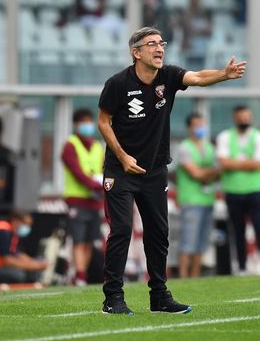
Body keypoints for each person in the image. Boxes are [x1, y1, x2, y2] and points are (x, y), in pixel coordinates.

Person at [97, 26, 246, 315]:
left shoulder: (168, 76)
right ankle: (112, 298)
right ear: (136, 52)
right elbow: (103, 121)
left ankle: (159, 297)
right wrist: (123, 156)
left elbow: (199, 77)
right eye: (151, 44)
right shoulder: (117, 84)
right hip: (121, 171)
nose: (159, 48)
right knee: (122, 230)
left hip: (154, 171)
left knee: (159, 233)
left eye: (162, 43)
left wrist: (223, 74)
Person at [216, 105, 260, 276]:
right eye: (240, 117)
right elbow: (224, 162)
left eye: (246, 117)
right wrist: (248, 163)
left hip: (254, 190)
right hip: (233, 191)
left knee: (259, 227)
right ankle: (242, 266)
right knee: (237, 230)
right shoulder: (225, 136)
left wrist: (235, 163)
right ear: (235, 118)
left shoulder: (259, 136)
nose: (243, 120)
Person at [61, 108, 104, 286]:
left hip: (94, 200)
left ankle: (83, 275)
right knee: (78, 240)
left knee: (88, 241)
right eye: (84, 122)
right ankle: (79, 276)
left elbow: (103, 169)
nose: (88, 126)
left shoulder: (97, 146)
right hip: (76, 200)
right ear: (76, 125)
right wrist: (98, 184)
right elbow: (78, 173)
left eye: (89, 121)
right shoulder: (70, 145)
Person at [176, 113, 220, 278]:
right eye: (196, 125)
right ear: (189, 127)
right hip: (190, 200)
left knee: (201, 242)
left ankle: (195, 276)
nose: (200, 128)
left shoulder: (209, 147)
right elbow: (195, 173)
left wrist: (207, 173)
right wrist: (212, 172)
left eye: (202, 124)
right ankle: (183, 276)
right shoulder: (184, 147)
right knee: (188, 242)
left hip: (207, 199)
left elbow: (213, 174)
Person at [0, 211, 48, 284]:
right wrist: (34, 266)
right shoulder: (2, 231)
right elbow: (7, 261)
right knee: (18, 275)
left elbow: (18, 254)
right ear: (15, 221)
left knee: (33, 263)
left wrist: (36, 263)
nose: (27, 228)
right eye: (25, 224)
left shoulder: (13, 235)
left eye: (29, 225)